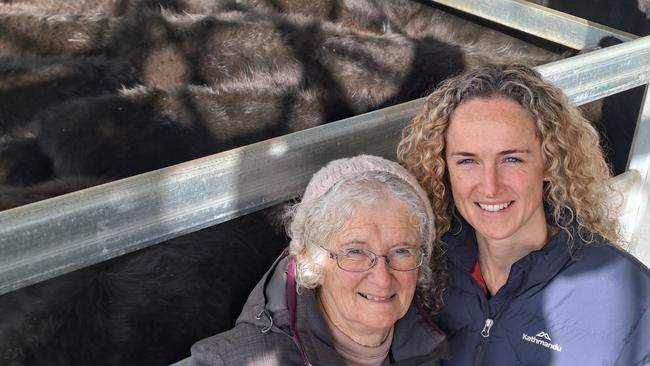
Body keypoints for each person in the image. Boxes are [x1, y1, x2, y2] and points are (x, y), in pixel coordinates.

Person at [397, 63, 650, 365]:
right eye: (467, 161)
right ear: (443, 169)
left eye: (512, 159)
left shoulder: (632, 301)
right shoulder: (420, 268)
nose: (490, 187)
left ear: (549, 162)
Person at [189, 154, 448, 365]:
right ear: (310, 260)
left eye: (401, 251)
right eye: (355, 252)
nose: (382, 278)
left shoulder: (431, 347)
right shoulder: (227, 362)